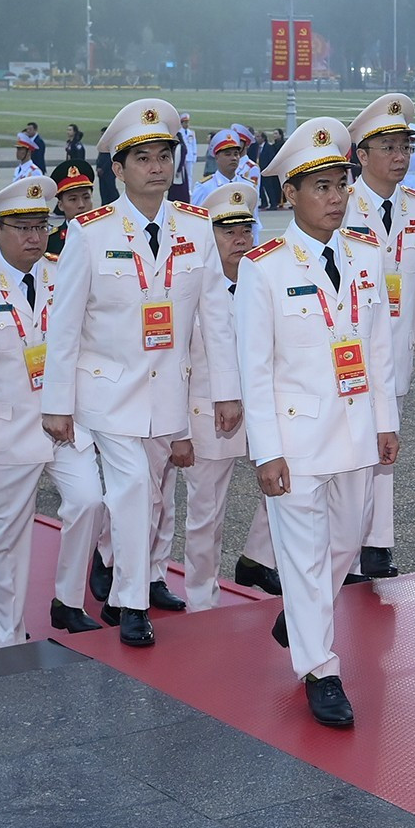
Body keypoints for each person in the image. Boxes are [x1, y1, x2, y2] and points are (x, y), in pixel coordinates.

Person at [42, 98, 238, 648]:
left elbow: (215, 319)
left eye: (164, 156)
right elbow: (65, 324)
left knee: (152, 497)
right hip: (107, 390)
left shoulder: (197, 227)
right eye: (143, 158)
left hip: (168, 392)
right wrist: (56, 403)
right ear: (119, 169)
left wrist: (226, 393)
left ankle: (122, 583)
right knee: (132, 490)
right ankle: (132, 603)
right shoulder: (90, 232)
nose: (157, 167)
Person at [240, 123, 399, 728]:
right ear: (290, 195)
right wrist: (266, 451)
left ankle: (300, 617)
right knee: (304, 556)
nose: (335, 198)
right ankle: (320, 670)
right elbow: (255, 368)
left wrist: (385, 420)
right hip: (297, 437)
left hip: (356, 430)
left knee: (347, 541)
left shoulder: (365, 254)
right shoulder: (264, 267)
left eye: (340, 186)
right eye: (321, 188)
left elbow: (377, 347)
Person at [0, 176, 107, 645]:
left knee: (90, 501)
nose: (35, 237)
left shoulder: (64, 272)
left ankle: (67, 600)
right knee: (7, 539)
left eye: (41, 226)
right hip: (4, 432)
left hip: (64, 423)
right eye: (23, 228)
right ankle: (8, 635)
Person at [343, 96, 415, 581]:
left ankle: (376, 543)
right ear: (362, 155)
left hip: (395, 351)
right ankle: (345, 546)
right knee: (347, 455)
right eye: (389, 148)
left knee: (385, 449)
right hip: (346, 356)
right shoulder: (339, 205)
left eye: (405, 147)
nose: (400, 157)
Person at [179, 181, 274, 610]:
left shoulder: (264, 281)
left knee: (287, 488)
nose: (240, 239)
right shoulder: (190, 287)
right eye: (227, 231)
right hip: (207, 414)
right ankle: (201, 597)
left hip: (263, 411)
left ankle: (258, 558)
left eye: (246, 230)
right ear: (208, 236)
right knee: (206, 514)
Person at [46, 161, 95, 258]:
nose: (81, 205)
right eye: (73, 199)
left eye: (86, 197)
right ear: (60, 205)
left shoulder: (107, 235)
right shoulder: (51, 242)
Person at [191, 128, 246, 207]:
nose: (234, 158)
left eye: (236, 154)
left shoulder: (247, 185)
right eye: (228, 154)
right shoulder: (205, 187)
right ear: (217, 157)